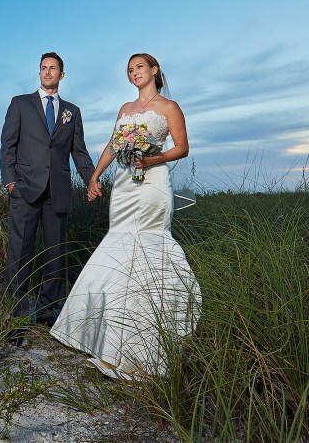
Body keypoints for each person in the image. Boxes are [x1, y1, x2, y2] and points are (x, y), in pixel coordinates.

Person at [50, 53, 201, 379]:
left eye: (139, 67)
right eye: (130, 70)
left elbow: (182, 147)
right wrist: (94, 177)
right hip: (124, 184)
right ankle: (110, 338)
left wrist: (152, 159)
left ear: (154, 70)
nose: (134, 73)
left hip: (152, 183)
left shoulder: (169, 107)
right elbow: (112, 146)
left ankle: (152, 336)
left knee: (147, 244)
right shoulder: (125, 109)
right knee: (119, 246)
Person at [0, 52, 96, 343]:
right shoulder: (20, 103)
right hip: (25, 191)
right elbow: (7, 146)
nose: (47, 72)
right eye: (44, 68)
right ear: (39, 72)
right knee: (20, 254)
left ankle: (46, 312)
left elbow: (79, 152)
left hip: (58, 192)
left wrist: (91, 180)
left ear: (61, 75)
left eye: (53, 68)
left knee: (55, 255)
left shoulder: (72, 111)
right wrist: (10, 183)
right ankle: (16, 319)